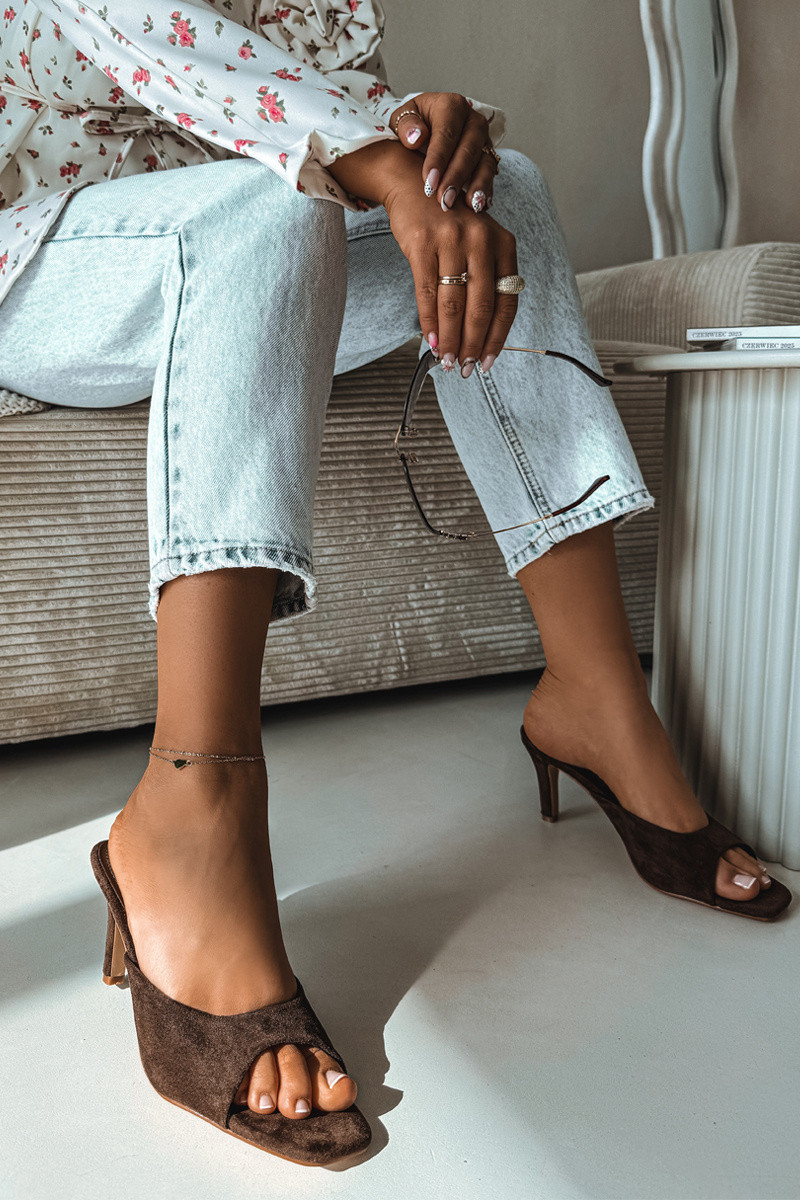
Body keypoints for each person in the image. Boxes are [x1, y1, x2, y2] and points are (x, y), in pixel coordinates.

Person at [0, 0, 789, 1169]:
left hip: (249, 249)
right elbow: (150, 37)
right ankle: (189, 804)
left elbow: (319, 106)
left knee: (500, 191)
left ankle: (593, 695)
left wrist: (416, 137)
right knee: (268, 204)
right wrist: (372, 156)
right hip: (42, 263)